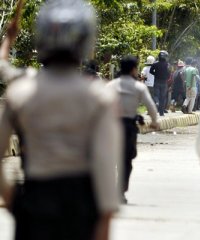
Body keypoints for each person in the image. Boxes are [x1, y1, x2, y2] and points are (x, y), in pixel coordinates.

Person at [0, 1, 121, 240]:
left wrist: (13, 199)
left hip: (34, 200)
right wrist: (105, 222)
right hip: (82, 205)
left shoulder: (21, 93)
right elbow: (106, 169)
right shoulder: (99, 97)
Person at [106, 56, 159, 203]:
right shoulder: (139, 87)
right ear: (133, 69)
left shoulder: (111, 86)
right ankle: (120, 191)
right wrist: (154, 122)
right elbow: (151, 106)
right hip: (129, 127)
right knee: (126, 160)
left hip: (111, 127)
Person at [150, 51, 170, 116]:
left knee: (156, 95)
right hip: (164, 83)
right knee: (163, 97)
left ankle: (156, 102)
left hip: (156, 81)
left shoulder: (155, 64)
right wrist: (166, 77)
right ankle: (161, 113)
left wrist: (156, 74)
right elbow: (169, 74)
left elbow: (151, 71)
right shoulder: (168, 64)